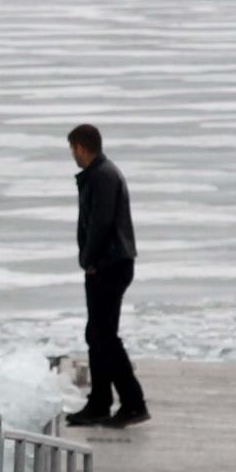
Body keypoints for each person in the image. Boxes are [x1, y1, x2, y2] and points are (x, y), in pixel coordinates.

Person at [64, 123, 149, 428]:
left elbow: (99, 224)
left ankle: (132, 402)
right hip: (109, 263)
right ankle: (100, 401)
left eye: (73, 149)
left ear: (82, 148)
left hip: (109, 265)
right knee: (97, 335)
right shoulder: (101, 173)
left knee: (104, 337)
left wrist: (88, 259)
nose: (72, 155)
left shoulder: (101, 176)